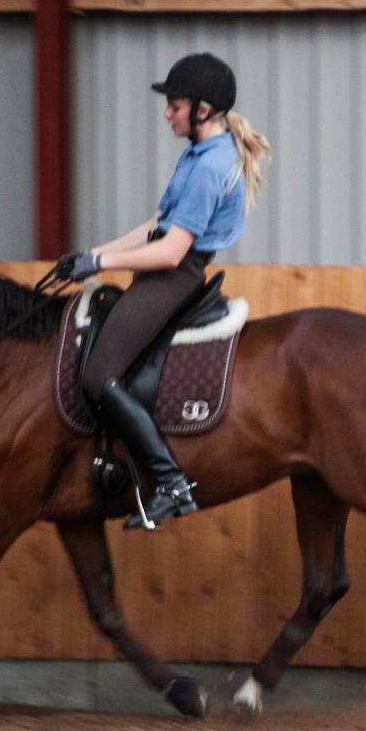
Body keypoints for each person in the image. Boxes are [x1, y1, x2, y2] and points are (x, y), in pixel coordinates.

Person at [58, 52, 272, 529]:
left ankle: (171, 481)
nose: (166, 113)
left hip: (175, 276)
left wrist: (101, 263)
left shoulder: (211, 167)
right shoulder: (197, 155)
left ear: (202, 110)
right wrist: (91, 254)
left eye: (174, 105)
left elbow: (172, 250)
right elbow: (157, 224)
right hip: (162, 270)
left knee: (97, 377)